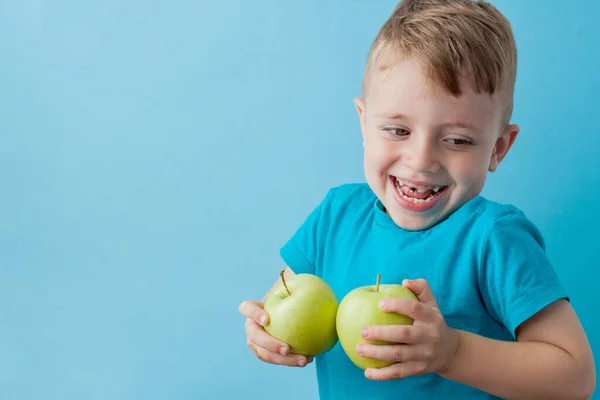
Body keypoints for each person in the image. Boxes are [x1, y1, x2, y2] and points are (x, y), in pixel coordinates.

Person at [238, 0, 596, 398]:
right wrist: (264, 331)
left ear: (498, 148)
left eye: (457, 140)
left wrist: (452, 352)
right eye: (397, 130)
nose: (421, 160)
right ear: (364, 122)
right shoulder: (334, 217)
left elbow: (575, 377)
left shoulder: (495, 239)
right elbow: (278, 301)